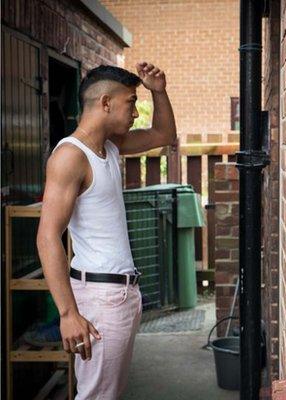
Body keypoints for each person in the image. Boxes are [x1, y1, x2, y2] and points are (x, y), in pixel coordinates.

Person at [37, 62, 176, 399]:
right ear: (105, 103)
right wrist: (68, 313)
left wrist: (159, 91)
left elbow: (164, 136)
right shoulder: (71, 156)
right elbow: (47, 237)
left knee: (106, 393)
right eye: (131, 102)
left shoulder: (110, 147)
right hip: (99, 298)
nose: (135, 111)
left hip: (121, 294)